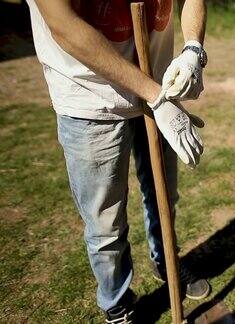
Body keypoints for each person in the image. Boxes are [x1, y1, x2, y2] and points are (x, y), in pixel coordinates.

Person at [26, 1, 210, 322]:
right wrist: (156, 98)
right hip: (90, 95)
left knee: (164, 194)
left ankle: (164, 260)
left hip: (159, 78)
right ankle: (117, 302)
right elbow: (63, 25)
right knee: (105, 224)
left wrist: (194, 48)